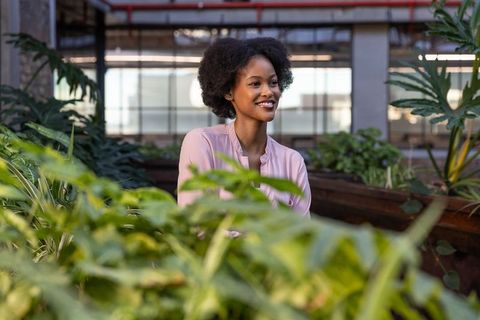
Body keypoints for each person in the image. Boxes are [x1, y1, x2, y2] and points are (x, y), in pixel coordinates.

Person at [177, 37, 311, 217]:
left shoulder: (292, 162)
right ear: (228, 91)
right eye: (255, 83)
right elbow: (197, 225)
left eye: (273, 82)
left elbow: (302, 236)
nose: (269, 92)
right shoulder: (203, 143)